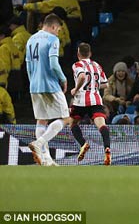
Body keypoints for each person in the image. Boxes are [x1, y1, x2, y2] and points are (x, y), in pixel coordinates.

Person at [26, 14, 72, 166]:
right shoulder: (53, 39)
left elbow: (28, 66)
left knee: (42, 120)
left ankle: (46, 159)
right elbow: (53, 63)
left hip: (34, 85)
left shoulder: (31, 40)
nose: (58, 33)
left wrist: (33, 82)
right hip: (50, 84)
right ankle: (39, 143)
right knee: (66, 118)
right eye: (58, 30)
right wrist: (63, 78)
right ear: (53, 27)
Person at [68, 43, 111, 165]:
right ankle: (107, 148)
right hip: (96, 100)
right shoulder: (96, 65)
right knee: (101, 125)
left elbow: (81, 76)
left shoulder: (77, 64)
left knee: (72, 123)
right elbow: (106, 84)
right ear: (90, 54)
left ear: (78, 54)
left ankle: (83, 144)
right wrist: (94, 85)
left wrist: (75, 90)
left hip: (81, 100)